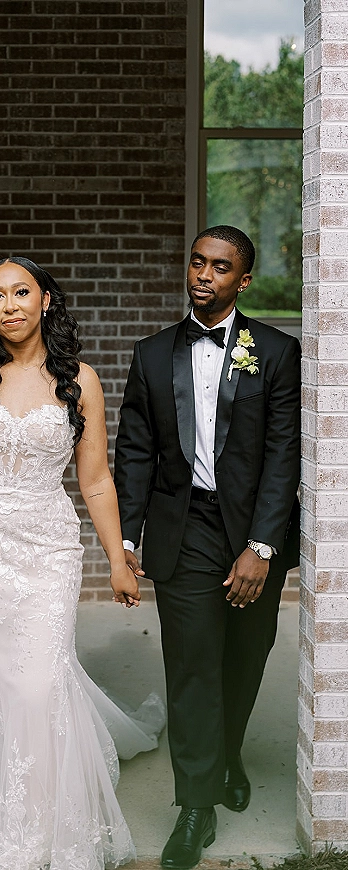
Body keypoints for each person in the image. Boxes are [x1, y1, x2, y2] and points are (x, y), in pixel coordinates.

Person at [0, 256, 165, 870]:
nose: (8, 305)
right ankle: (18, 822)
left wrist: (119, 559)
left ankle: (48, 834)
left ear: (46, 301)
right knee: (1, 682)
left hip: (47, 545)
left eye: (20, 293)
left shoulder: (79, 379)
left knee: (37, 681)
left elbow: (94, 480)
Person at [114, 226, 301, 870]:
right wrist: (127, 537)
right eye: (197, 262)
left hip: (253, 533)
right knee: (193, 662)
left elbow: (283, 455)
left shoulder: (275, 353)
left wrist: (261, 545)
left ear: (242, 281)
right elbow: (134, 453)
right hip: (185, 527)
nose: (204, 274)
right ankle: (196, 805)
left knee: (244, 659)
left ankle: (227, 756)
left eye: (220, 267)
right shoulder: (152, 353)